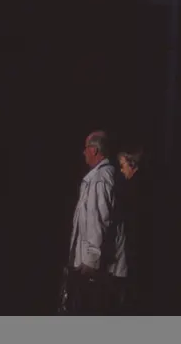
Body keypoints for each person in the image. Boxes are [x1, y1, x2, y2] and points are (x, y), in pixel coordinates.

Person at [65, 131, 127, 313]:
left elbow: (98, 221)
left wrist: (91, 261)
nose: (83, 152)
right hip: (100, 269)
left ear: (94, 150)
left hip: (97, 270)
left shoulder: (100, 179)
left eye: (86, 148)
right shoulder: (102, 176)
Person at [118, 147, 152, 312]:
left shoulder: (134, 187)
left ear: (132, 165)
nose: (121, 169)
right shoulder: (142, 184)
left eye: (123, 165)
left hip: (135, 244)